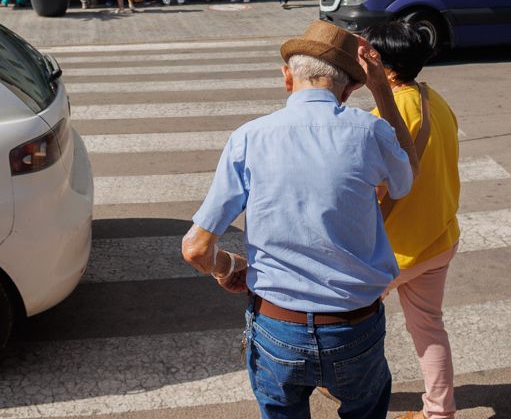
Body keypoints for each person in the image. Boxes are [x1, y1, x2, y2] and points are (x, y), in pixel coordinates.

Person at [181, 22, 421, 419]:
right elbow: (406, 176)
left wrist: (227, 267)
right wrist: (382, 88)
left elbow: (195, 248)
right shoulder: (371, 132)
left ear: (287, 77)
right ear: (348, 89)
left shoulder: (249, 138)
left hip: (277, 327)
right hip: (353, 327)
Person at [364, 23, 461, 419]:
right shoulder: (433, 98)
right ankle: (440, 411)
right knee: (428, 328)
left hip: (397, 252)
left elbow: (373, 188)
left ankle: (352, 391)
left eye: (369, 56)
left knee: (347, 324)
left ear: (386, 71)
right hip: (439, 237)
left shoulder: (384, 117)